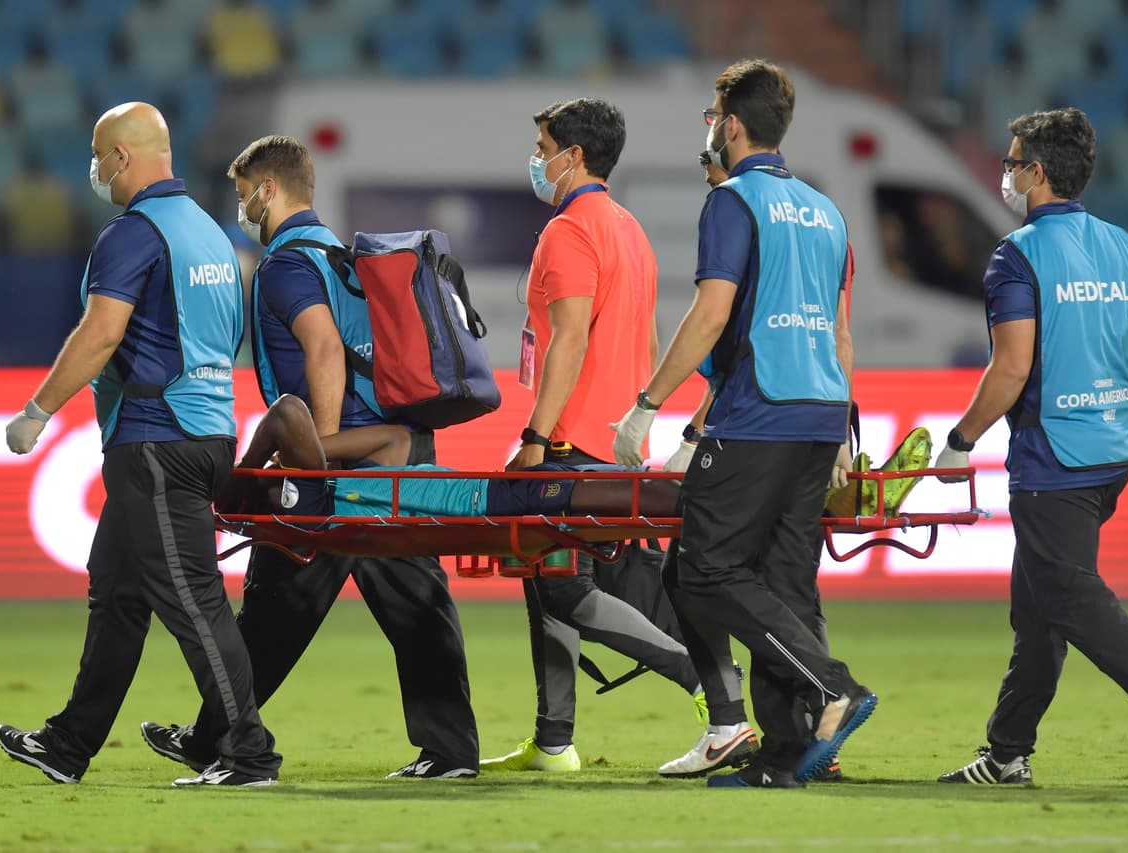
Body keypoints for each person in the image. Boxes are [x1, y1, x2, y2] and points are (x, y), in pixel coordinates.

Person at [139, 135, 479, 780]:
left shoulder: (287, 263)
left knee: (276, 604)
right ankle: (451, 751)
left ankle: (225, 745)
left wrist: (315, 464)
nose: (242, 209)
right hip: (389, 451)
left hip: (339, 459)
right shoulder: (342, 255)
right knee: (413, 601)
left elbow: (322, 349)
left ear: (269, 189)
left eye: (244, 196)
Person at [935, 108, 1128, 787]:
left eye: (1011, 163)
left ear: (1037, 173)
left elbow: (1010, 369)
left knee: (1066, 595)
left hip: (1053, 457)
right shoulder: (1125, 247)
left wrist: (960, 440)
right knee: (1038, 607)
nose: (1005, 174)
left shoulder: (1018, 256)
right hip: (1112, 452)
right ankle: (1007, 752)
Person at [0, 102, 281, 787]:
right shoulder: (213, 236)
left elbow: (100, 334)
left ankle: (248, 753)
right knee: (120, 595)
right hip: (210, 430)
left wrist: (38, 411)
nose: (95, 170)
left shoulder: (131, 235)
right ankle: (69, 745)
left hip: (155, 440)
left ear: (122, 157)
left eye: (99, 156)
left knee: (192, 599)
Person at [613, 59, 876, 789]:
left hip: (760, 411)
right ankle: (790, 753)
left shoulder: (733, 202)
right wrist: (845, 430)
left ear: (731, 123)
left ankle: (832, 687)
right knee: (783, 580)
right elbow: (840, 334)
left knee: (701, 567)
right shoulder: (828, 212)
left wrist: (647, 404)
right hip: (821, 415)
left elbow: (713, 313)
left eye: (712, 116)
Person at [484, 98, 716, 775]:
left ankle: (701, 679)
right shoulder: (630, 230)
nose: (536, 157)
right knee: (548, 574)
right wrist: (634, 425)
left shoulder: (568, 231)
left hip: (570, 443)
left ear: (573, 155)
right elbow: (645, 339)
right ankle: (554, 739)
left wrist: (536, 433)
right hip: (615, 441)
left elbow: (570, 338)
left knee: (562, 586)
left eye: (543, 144)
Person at [217, 394, 684, 521]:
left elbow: (395, 438)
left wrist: (306, 458)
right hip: (484, 502)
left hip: (493, 490)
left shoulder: (350, 486)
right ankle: (697, 501)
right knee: (595, 490)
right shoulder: (316, 502)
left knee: (589, 481)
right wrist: (251, 470)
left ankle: (695, 494)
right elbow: (287, 413)